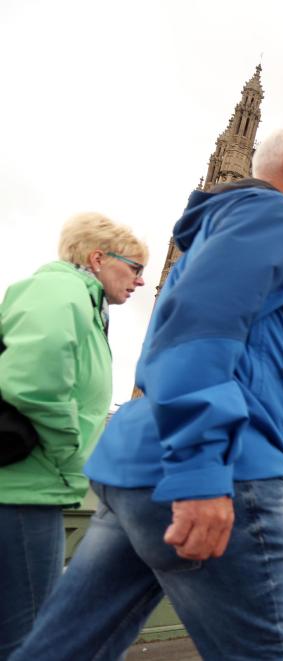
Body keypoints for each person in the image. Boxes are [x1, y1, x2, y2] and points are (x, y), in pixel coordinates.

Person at [11, 129, 283, 661]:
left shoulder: (232, 226)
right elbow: (197, 334)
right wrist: (200, 470)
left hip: (135, 471)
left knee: (64, 652)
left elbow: (260, 361)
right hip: (221, 473)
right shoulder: (272, 216)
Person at [0, 213, 147, 658]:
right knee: (30, 639)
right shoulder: (60, 293)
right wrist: (68, 456)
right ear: (98, 258)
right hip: (25, 489)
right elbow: (32, 386)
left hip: (32, 486)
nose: (141, 281)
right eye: (135, 268)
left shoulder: (79, 301)